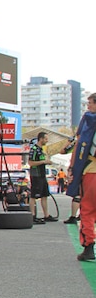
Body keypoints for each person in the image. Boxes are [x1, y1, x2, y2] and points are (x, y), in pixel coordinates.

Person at [68, 93, 96, 260]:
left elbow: (81, 148)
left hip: (91, 171)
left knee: (87, 209)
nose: (88, 107)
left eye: (90, 104)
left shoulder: (89, 122)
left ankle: (89, 247)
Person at [28, 132, 56, 224]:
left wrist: (47, 162)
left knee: (44, 195)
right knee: (34, 196)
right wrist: (44, 162)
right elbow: (31, 163)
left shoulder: (41, 149)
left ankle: (46, 215)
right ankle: (32, 215)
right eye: (46, 139)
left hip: (42, 176)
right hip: (36, 176)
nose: (47, 141)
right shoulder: (34, 149)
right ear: (41, 139)